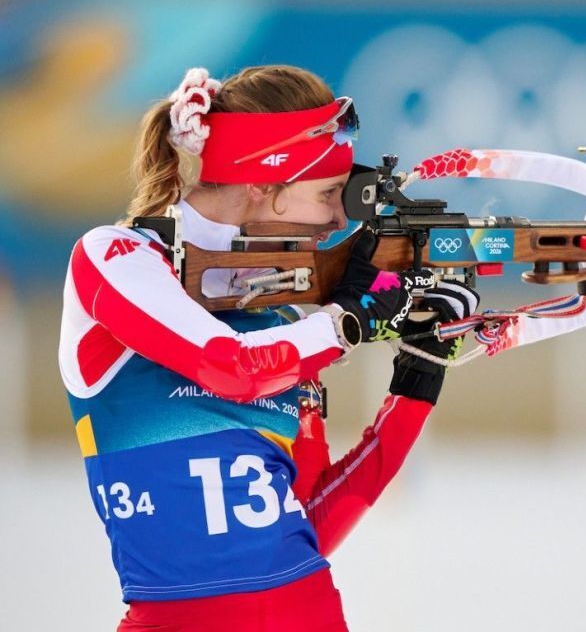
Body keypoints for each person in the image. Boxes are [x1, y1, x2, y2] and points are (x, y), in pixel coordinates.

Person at [58, 65, 478, 631]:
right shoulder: (113, 258)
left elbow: (311, 523)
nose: (338, 219)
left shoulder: (286, 323)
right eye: (327, 194)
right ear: (262, 182)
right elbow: (230, 366)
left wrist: (417, 379)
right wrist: (348, 321)